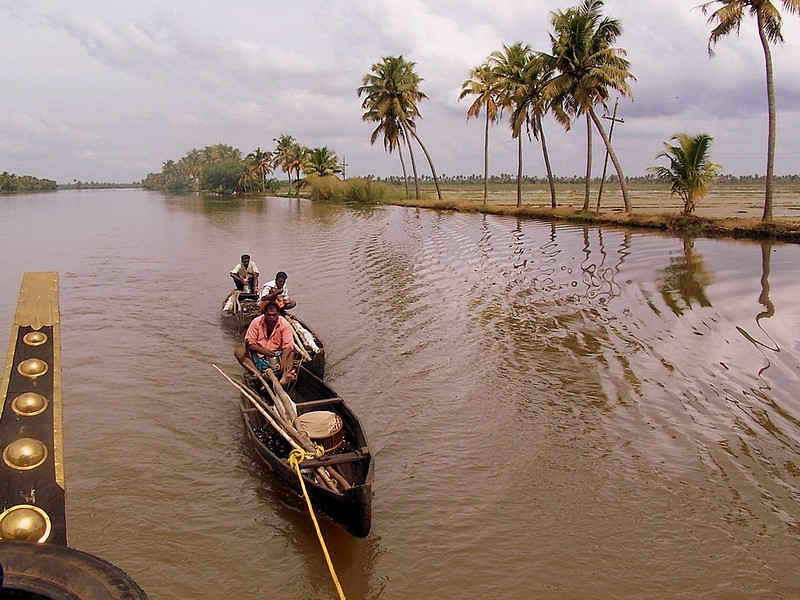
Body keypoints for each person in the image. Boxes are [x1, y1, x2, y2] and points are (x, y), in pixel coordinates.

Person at [235, 300, 296, 376]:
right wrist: (262, 351)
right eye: (269, 315)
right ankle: (257, 374)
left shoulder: (284, 325)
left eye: (274, 315)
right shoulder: (256, 322)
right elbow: (250, 343)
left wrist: (283, 360)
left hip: (277, 356)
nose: (271, 318)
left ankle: (284, 378)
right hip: (258, 356)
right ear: (264, 314)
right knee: (238, 352)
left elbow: (288, 345)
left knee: (291, 354)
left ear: (278, 314)